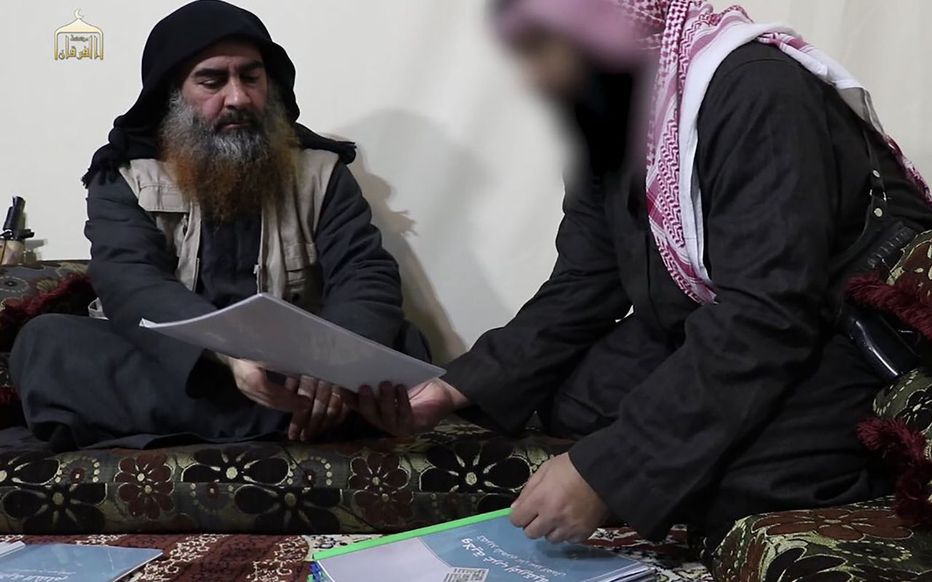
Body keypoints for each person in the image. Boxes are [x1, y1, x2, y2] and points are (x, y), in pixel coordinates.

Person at [346, 0, 932, 551]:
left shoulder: (756, 88)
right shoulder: (612, 111)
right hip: (716, 315)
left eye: (543, 46)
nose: (530, 77)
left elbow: (768, 311)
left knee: (736, 482)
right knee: (573, 400)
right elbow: (585, 278)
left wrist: (608, 472)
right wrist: (454, 388)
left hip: (833, 327)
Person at [11, 0, 429, 451]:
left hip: (298, 364)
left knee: (404, 344)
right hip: (184, 363)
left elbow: (365, 272)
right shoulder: (125, 176)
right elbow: (130, 281)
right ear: (172, 93)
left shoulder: (321, 173)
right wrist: (228, 354)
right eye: (212, 81)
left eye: (251, 77)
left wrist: (333, 362)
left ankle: (274, 412)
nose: (238, 98)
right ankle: (298, 419)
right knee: (46, 345)